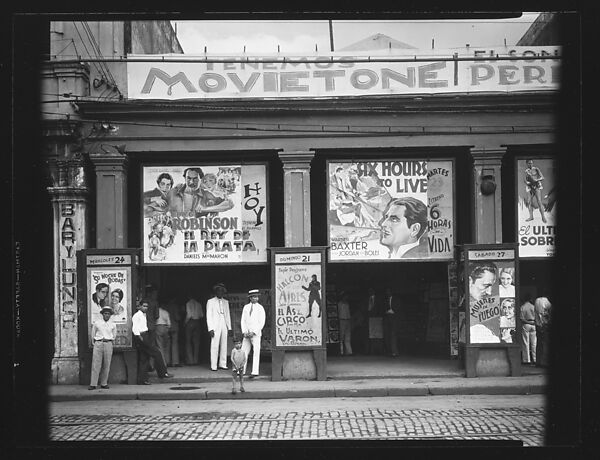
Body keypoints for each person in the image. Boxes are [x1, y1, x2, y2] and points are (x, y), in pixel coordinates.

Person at [131, 299, 174, 385]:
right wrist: (140, 337)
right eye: (144, 306)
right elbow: (135, 328)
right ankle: (162, 373)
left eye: (147, 306)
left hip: (145, 334)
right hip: (141, 336)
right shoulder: (137, 315)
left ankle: (142, 380)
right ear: (139, 306)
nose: (145, 308)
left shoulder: (144, 315)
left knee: (144, 358)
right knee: (156, 353)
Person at [168, 167, 234, 217]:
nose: (191, 182)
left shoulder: (206, 194)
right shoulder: (173, 192)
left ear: (201, 180)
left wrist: (205, 209)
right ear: (185, 178)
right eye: (189, 178)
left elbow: (229, 204)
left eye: (195, 179)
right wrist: (157, 199)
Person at [89, 306, 117, 390]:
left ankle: (104, 383)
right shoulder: (97, 323)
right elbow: (93, 333)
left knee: (107, 364)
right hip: (99, 343)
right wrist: (94, 342)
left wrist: (110, 340)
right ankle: (93, 384)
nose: (107, 315)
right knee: (96, 364)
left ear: (110, 315)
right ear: (102, 314)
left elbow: (114, 335)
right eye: (105, 313)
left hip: (108, 343)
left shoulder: (113, 324)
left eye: (108, 314)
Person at [206, 283, 232, 371]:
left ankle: (223, 363)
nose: (220, 292)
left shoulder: (226, 302)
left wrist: (229, 328)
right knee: (214, 345)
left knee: (224, 344)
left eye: (222, 291)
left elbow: (228, 315)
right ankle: (214, 365)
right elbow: (208, 315)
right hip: (215, 324)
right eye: (218, 290)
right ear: (216, 291)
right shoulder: (210, 301)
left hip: (224, 323)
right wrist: (210, 328)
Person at [241, 289, 266, 378]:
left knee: (256, 352)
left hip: (255, 334)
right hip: (247, 333)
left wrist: (254, 332)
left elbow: (261, 322)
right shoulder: (246, 307)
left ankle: (254, 371)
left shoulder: (260, 308)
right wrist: (244, 331)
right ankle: (241, 370)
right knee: (244, 352)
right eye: (253, 297)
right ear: (250, 298)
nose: (255, 298)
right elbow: (243, 320)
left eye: (256, 297)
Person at [524, 159, 547, 223]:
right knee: (529, 202)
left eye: (531, 163)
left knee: (539, 201)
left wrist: (536, 180)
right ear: (527, 164)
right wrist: (527, 182)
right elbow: (525, 180)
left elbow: (542, 177)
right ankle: (531, 216)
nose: (530, 164)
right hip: (530, 187)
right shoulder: (526, 171)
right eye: (529, 163)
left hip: (536, 186)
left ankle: (543, 217)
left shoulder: (536, 169)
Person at [184, 293, 204, 365]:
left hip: (190, 322)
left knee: (188, 341)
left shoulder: (188, 303)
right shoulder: (199, 304)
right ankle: (196, 360)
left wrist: (185, 323)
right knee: (196, 342)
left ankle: (190, 360)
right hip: (197, 322)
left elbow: (188, 315)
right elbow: (201, 315)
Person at [534, 296, 552, 368]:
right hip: (544, 326)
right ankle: (544, 362)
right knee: (545, 344)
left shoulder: (537, 301)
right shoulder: (546, 302)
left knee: (539, 344)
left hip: (538, 325)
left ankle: (538, 361)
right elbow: (544, 314)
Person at [165, 297, 183, 367]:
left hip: (167, 327)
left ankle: (167, 361)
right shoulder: (175, 306)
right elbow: (177, 317)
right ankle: (175, 362)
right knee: (174, 344)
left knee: (167, 344)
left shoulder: (165, 306)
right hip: (174, 327)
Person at [520, 293, 537, 364]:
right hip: (533, 324)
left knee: (526, 342)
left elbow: (521, 318)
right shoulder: (533, 306)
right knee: (534, 343)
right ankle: (535, 359)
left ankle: (527, 360)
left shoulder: (523, 307)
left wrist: (527, 322)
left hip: (526, 324)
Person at [382, 287, 400, 357]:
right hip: (387, 320)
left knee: (393, 336)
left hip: (394, 320)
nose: (387, 293)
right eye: (387, 292)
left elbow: (398, 308)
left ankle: (394, 352)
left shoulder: (396, 300)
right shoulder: (385, 300)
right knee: (387, 336)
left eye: (389, 291)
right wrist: (386, 311)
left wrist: (393, 311)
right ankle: (389, 351)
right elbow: (382, 308)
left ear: (392, 292)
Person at [337, 292, 353, 356]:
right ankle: (341, 352)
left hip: (348, 320)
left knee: (348, 336)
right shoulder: (339, 304)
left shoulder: (347, 304)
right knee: (341, 336)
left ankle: (349, 352)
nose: (346, 298)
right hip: (341, 320)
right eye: (345, 296)